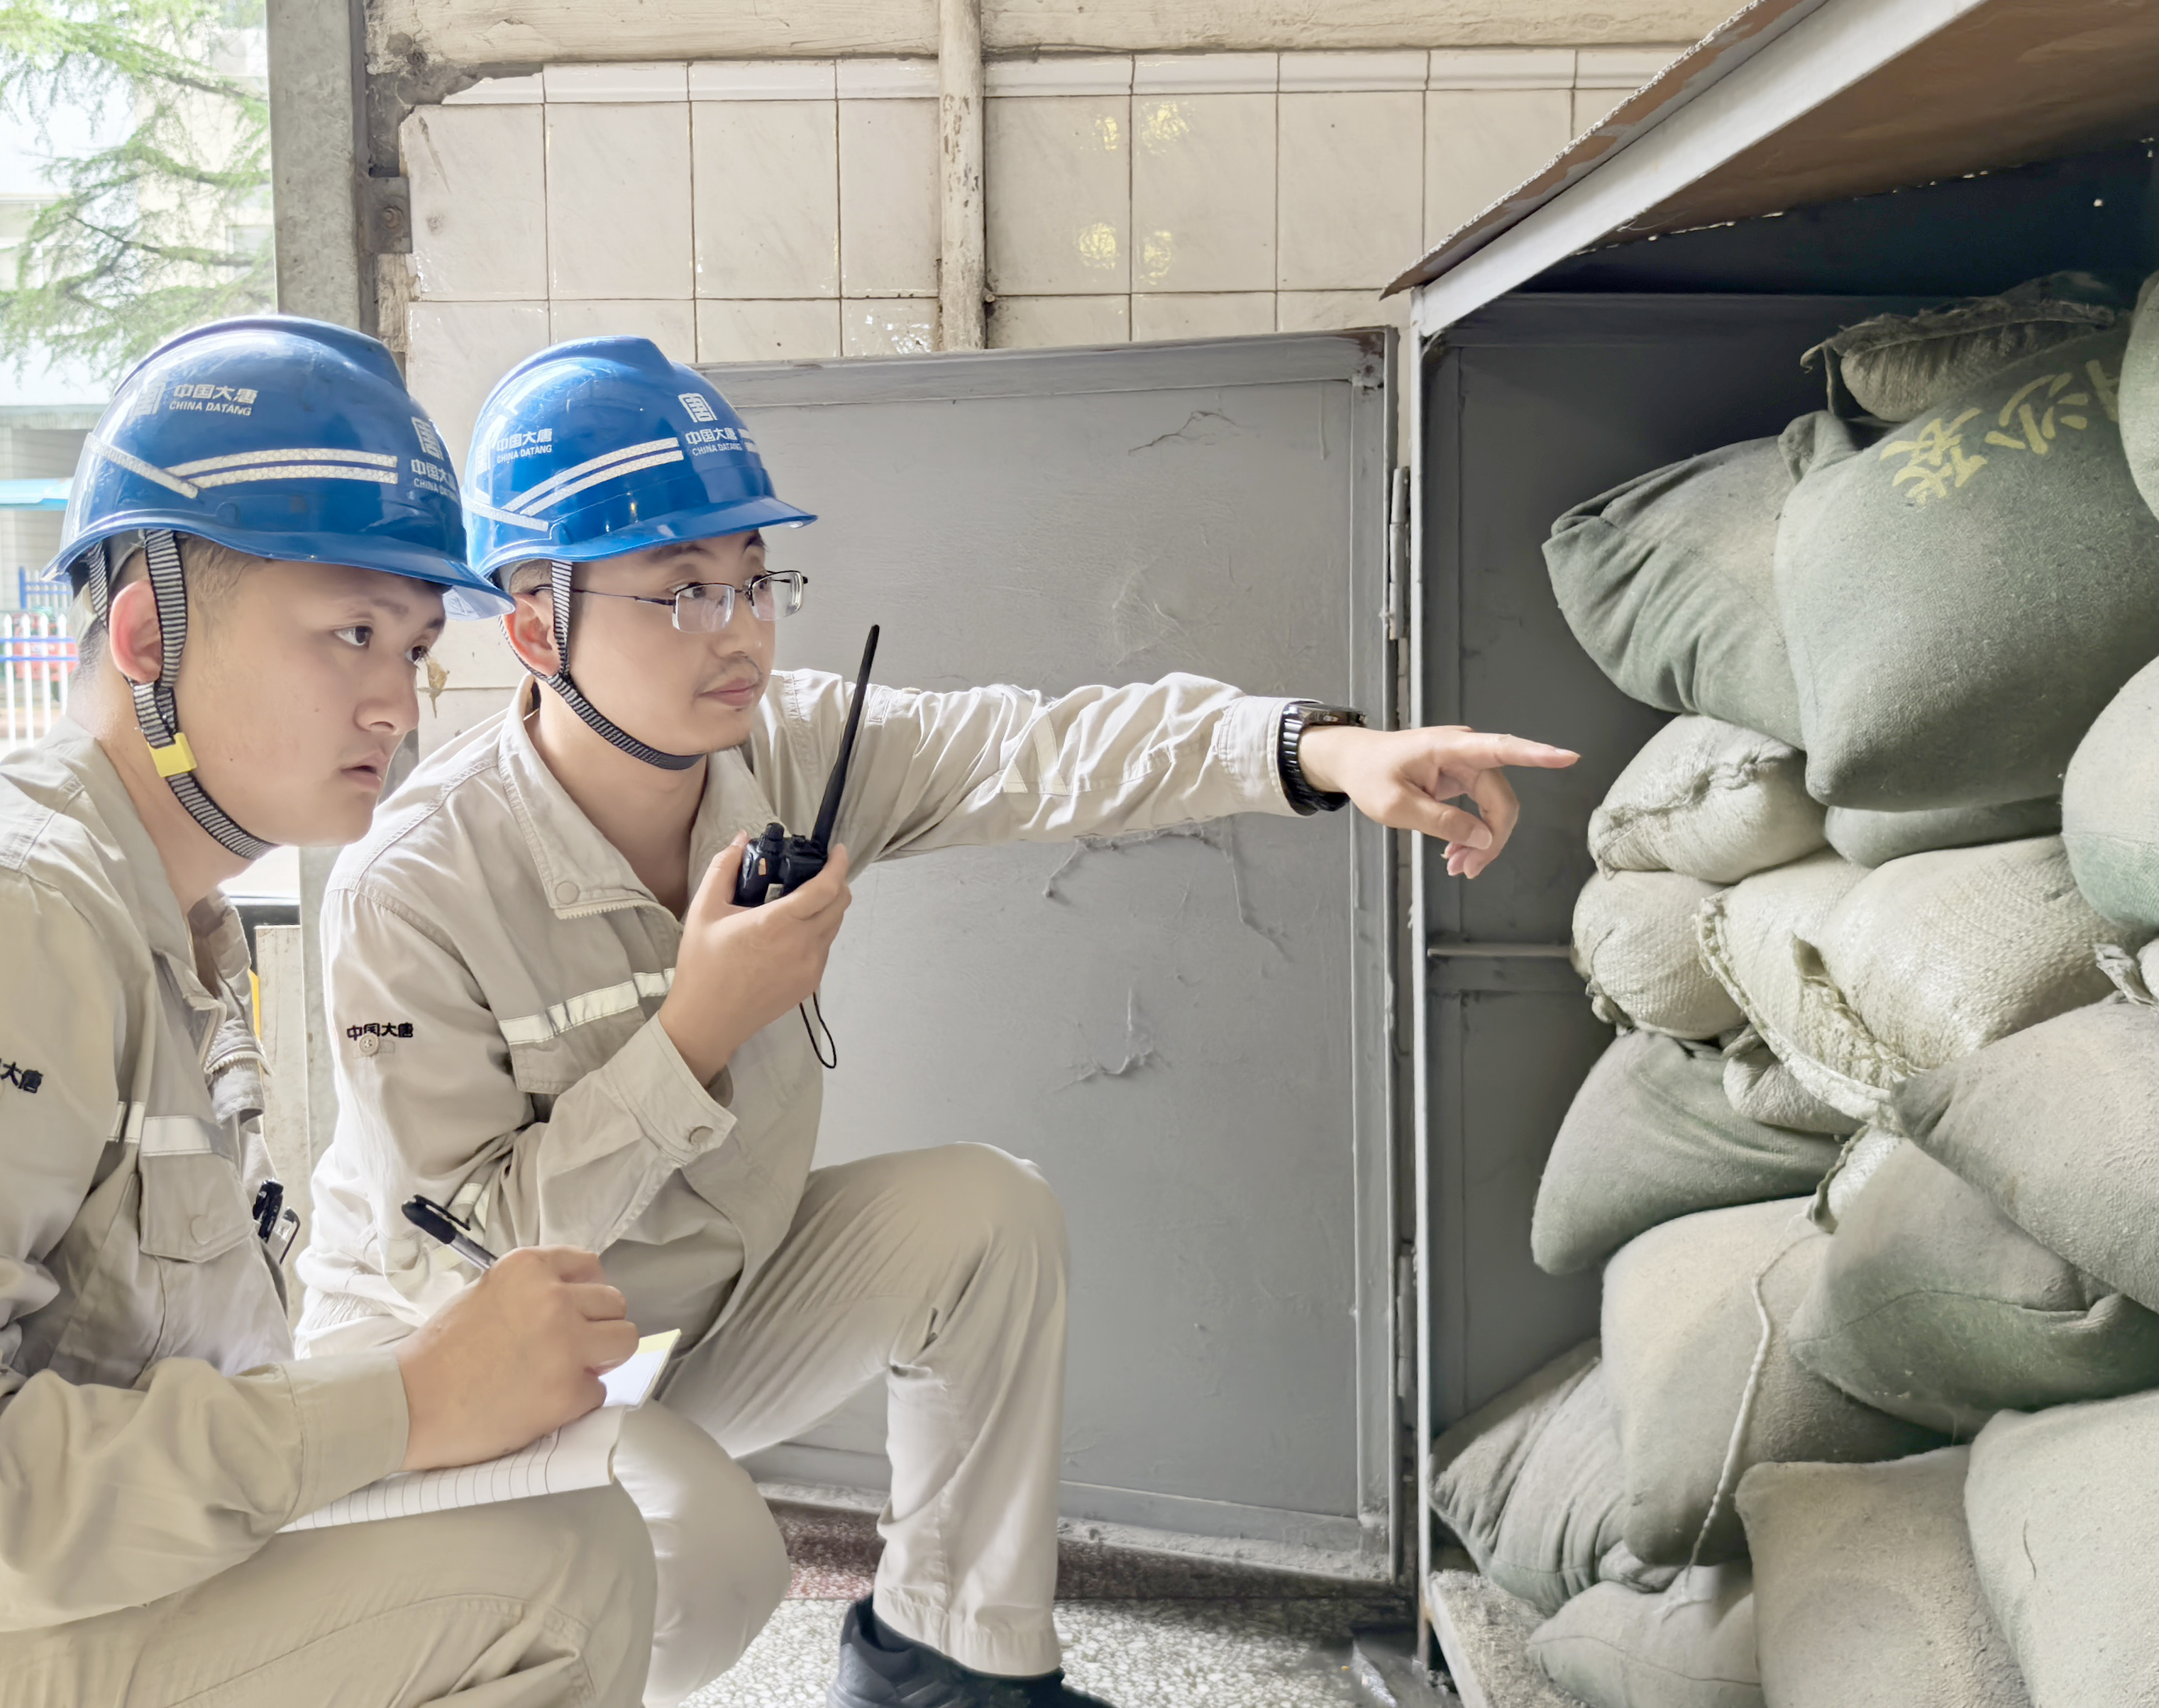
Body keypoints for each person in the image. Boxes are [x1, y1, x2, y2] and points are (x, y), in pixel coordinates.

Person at [292, 335, 1578, 1708]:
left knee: (982, 1217)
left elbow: (1043, 747)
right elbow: (463, 1265)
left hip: (688, 1320)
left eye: (754, 580)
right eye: (680, 590)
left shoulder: (791, 749)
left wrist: (1329, 751)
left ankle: (945, 1664)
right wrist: (692, 1036)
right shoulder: (415, 884)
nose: (739, 630)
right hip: (469, 1377)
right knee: (706, 1568)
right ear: (538, 629)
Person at [0, 318, 653, 1708]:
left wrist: (406, 1400)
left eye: (413, 647)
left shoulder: (155, 927)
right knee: (549, 1572)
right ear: (149, 634)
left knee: (622, 1531)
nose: (396, 705)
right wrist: (401, 1405)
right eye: (350, 633)